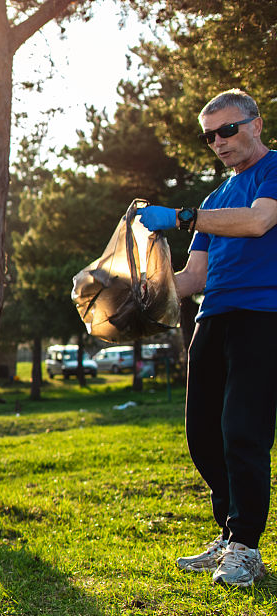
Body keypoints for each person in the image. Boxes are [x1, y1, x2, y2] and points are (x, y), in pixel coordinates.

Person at [136, 89, 277, 588]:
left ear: (256, 125)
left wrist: (182, 217)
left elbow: (260, 222)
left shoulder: (273, 171)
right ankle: (228, 531)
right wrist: (136, 290)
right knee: (204, 437)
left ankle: (246, 546)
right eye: (209, 135)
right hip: (210, 320)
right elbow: (193, 277)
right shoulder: (215, 198)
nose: (218, 142)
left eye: (228, 130)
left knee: (243, 431)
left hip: (263, 317)